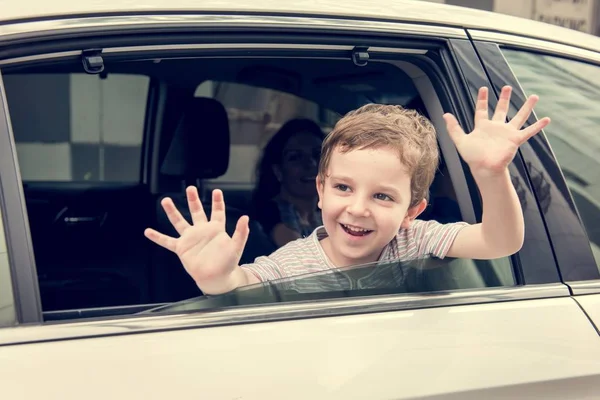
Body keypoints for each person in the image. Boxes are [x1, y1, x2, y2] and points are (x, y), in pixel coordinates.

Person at [144, 86, 550, 295]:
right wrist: (217, 278)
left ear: (413, 209)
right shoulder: (294, 261)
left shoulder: (418, 239)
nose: (357, 209)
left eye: (383, 196)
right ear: (320, 190)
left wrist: (491, 174)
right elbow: (243, 284)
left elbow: (500, 241)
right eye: (342, 187)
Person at [251, 118, 324, 247]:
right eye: (295, 157)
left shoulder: (326, 213)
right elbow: (301, 258)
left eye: (317, 154)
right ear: (278, 171)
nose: (311, 164)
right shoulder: (269, 213)